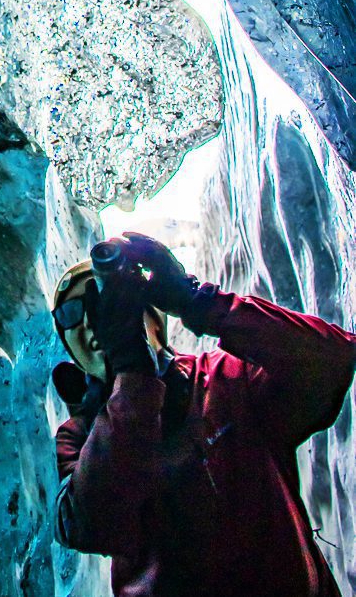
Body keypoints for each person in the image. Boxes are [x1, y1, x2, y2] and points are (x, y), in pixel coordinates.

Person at [51, 232, 356, 597]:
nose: (95, 327)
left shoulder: (229, 381)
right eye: (76, 319)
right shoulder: (80, 439)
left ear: (156, 323)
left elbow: (330, 361)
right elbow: (91, 523)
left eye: (104, 307)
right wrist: (133, 375)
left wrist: (193, 299)